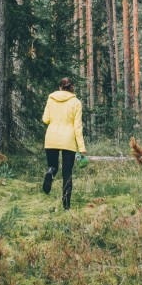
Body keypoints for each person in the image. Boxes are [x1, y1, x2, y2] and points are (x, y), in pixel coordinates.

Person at [41, 77, 86, 210]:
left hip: (51, 138)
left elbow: (45, 119)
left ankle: (50, 172)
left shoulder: (51, 98)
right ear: (72, 87)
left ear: (60, 87)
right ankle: (66, 206)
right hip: (68, 139)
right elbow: (78, 127)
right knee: (67, 173)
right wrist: (81, 147)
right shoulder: (76, 102)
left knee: (53, 166)